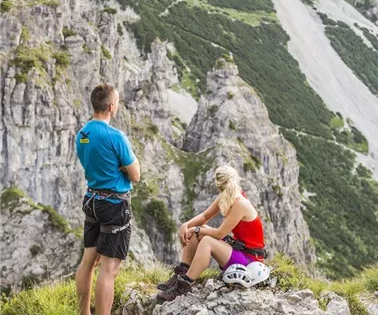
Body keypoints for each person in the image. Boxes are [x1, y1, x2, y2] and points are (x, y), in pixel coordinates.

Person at [75, 84, 140, 315]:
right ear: (112, 106)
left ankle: (84, 312)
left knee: (88, 261)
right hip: (113, 204)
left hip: (92, 198)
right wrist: (120, 168)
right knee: (109, 268)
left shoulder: (82, 133)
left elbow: (91, 163)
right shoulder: (116, 136)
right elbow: (136, 174)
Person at [156, 165, 266, 302]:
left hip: (250, 261)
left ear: (217, 184)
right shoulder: (228, 195)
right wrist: (186, 225)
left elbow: (219, 234)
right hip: (239, 250)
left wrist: (195, 229)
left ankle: (184, 284)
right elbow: (205, 216)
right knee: (199, 229)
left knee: (207, 240)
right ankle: (181, 272)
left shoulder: (241, 204)